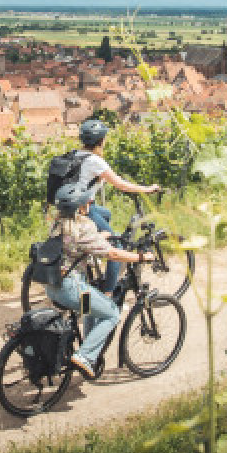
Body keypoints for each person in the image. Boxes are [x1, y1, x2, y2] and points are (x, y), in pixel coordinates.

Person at [45, 182, 154, 380]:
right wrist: (140, 257)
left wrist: (100, 236)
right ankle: (85, 356)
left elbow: (78, 242)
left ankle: (90, 347)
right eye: (86, 200)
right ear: (79, 207)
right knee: (112, 314)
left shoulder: (57, 224)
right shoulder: (83, 227)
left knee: (89, 308)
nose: (89, 202)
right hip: (71, 288)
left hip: (54, 286)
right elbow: (112, 254)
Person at [74, 118, 161, 294]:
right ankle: (108, 293)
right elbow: (119, 184)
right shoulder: (94, 160)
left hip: (74, 205)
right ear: (101, 141)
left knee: (106, 214)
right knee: (116, 248)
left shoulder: (77, 154)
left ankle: (94, 251)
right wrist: (147, 189)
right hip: (83, 210)